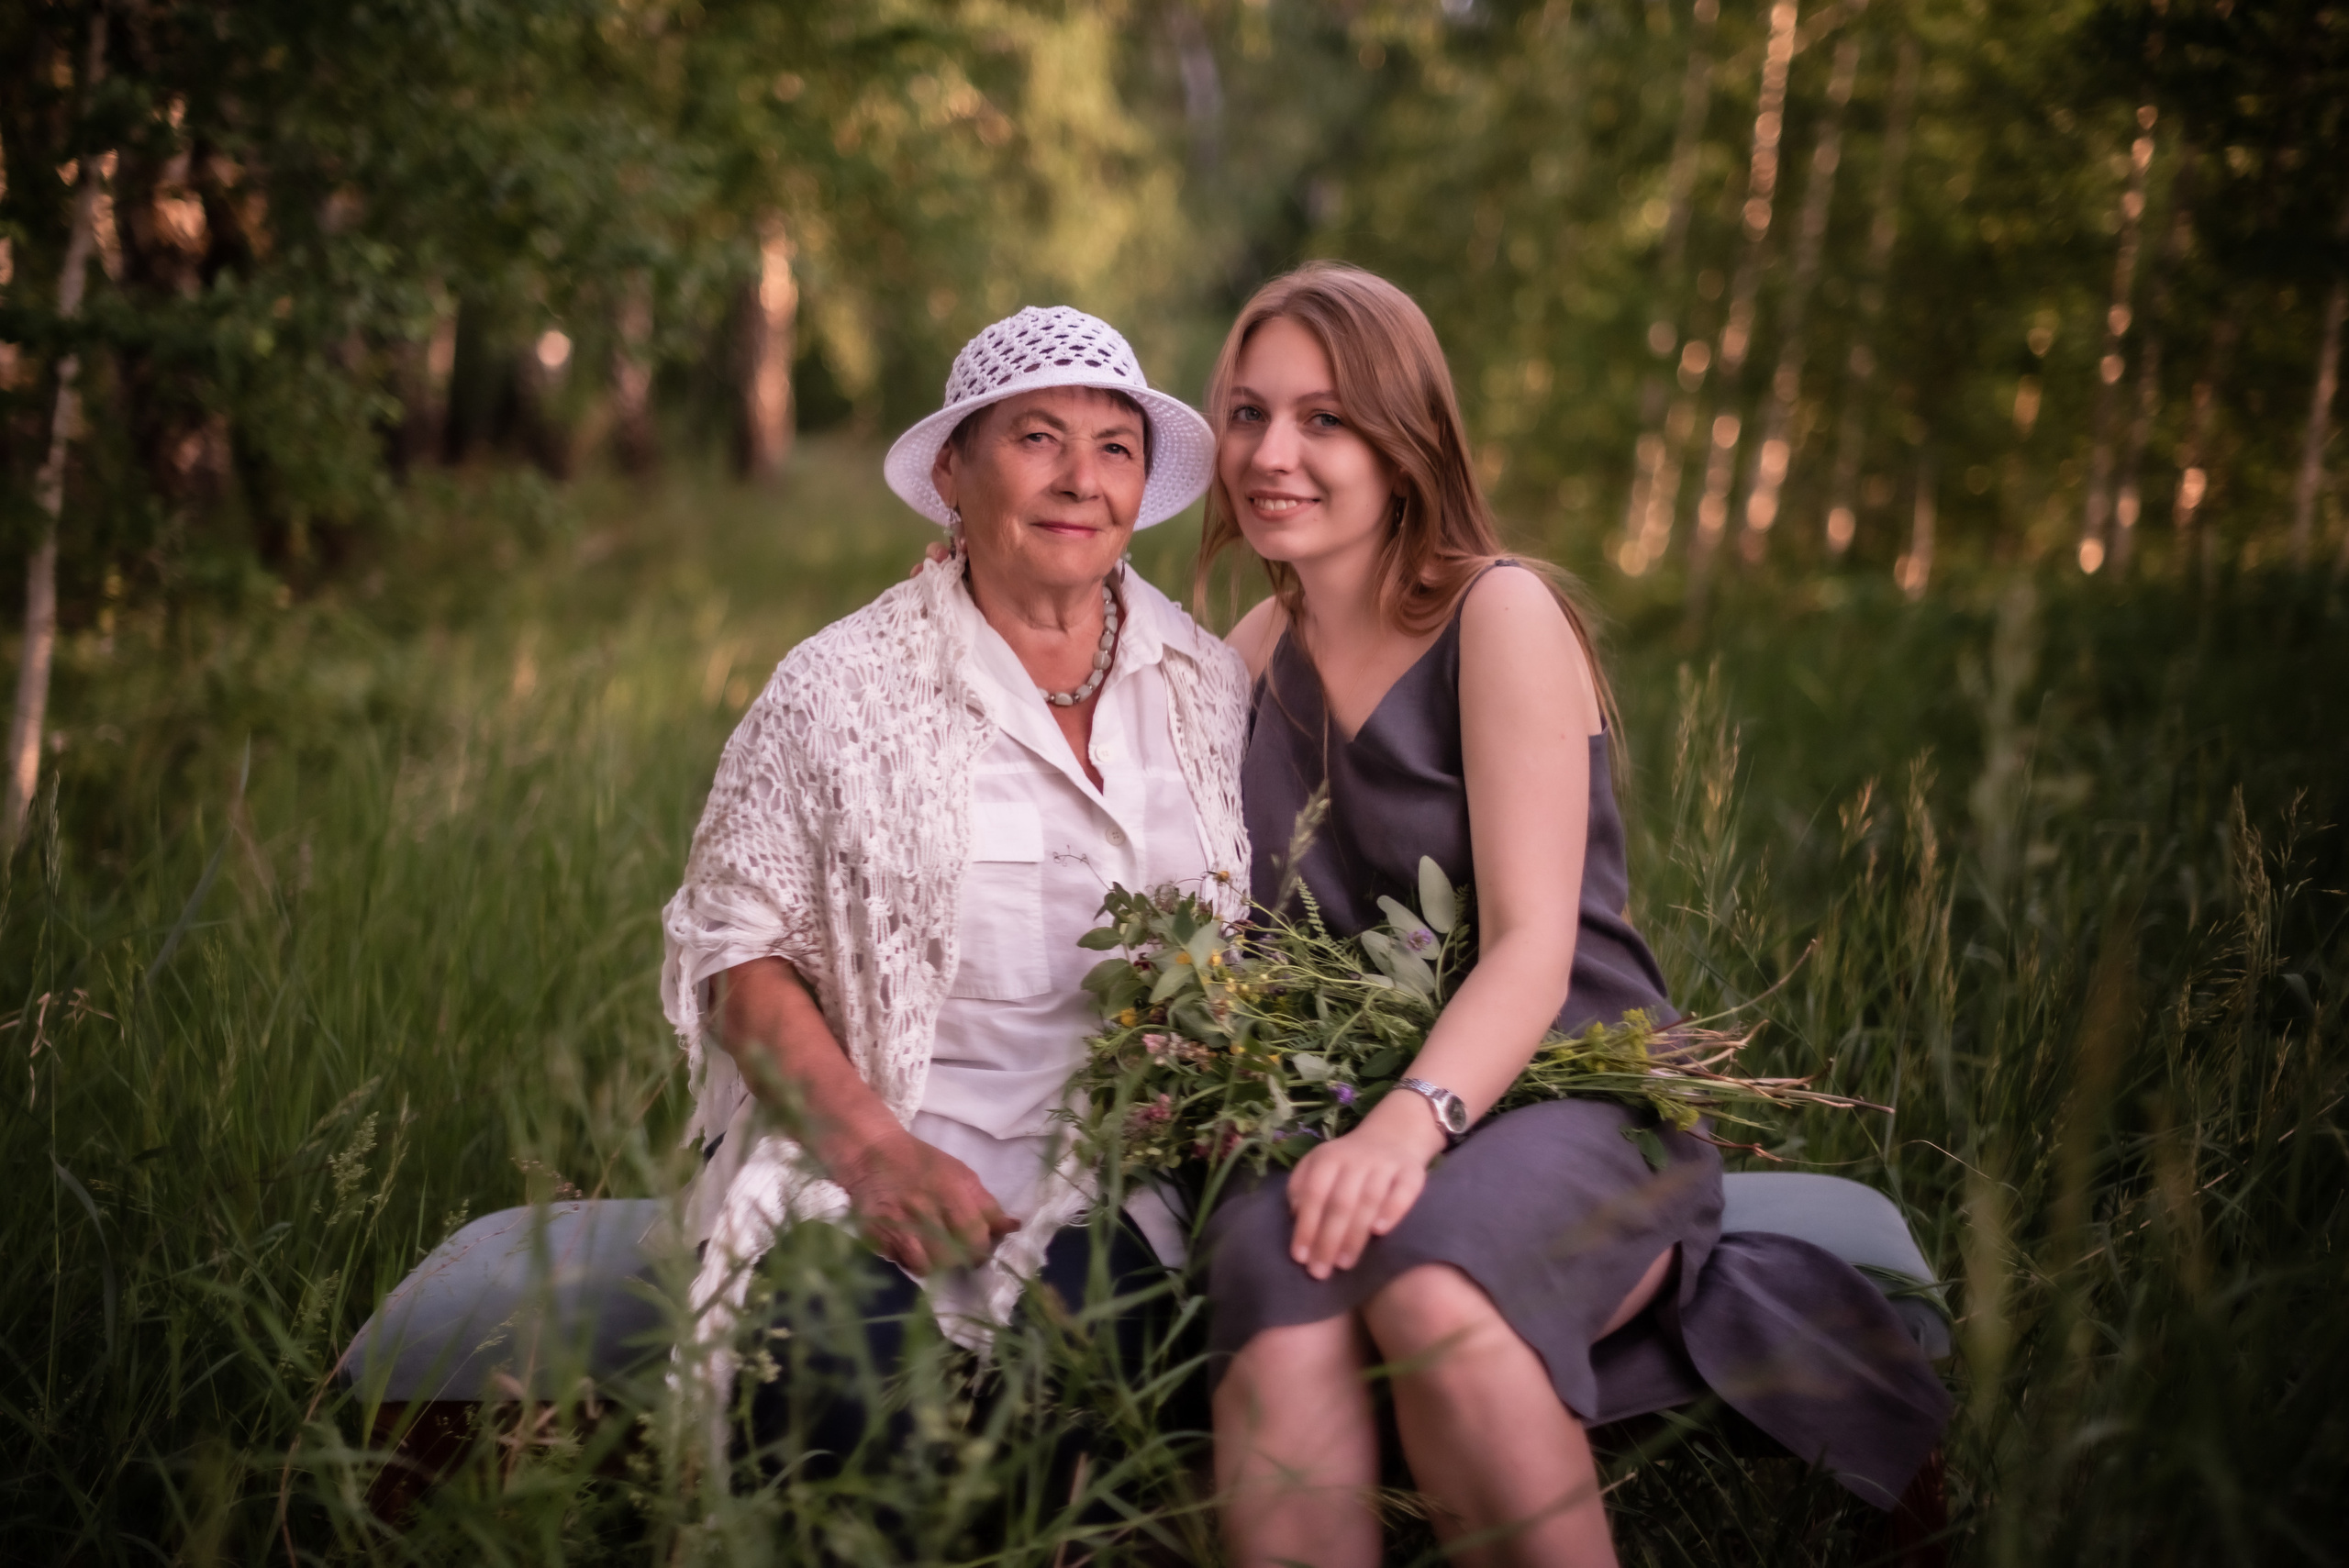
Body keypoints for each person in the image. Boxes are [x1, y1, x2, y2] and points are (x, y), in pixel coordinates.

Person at [1197, 262, 1951, 1568]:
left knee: (1434, 1276)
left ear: (1406, 438)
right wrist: (975, 587)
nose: (1275, 453)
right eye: (1249, 413)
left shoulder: (1499, 613)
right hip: (1345, 1094)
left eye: (1325, 418)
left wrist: (1404, 1126)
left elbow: (1539, 946)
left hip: (1569, 1093)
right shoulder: (1251, 651)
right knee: (1271, 1278)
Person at [659, 306, 1251, 1470]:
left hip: (1117, 1165)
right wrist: (876, 1155)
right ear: (951, 470)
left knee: (1090, 1395)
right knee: (839, 1383)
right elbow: (736, 950)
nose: (1082, 479)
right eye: (1037, 439)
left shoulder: (1207, 683)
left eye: (1115, 447)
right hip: (870, 1145)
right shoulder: (838, 687)